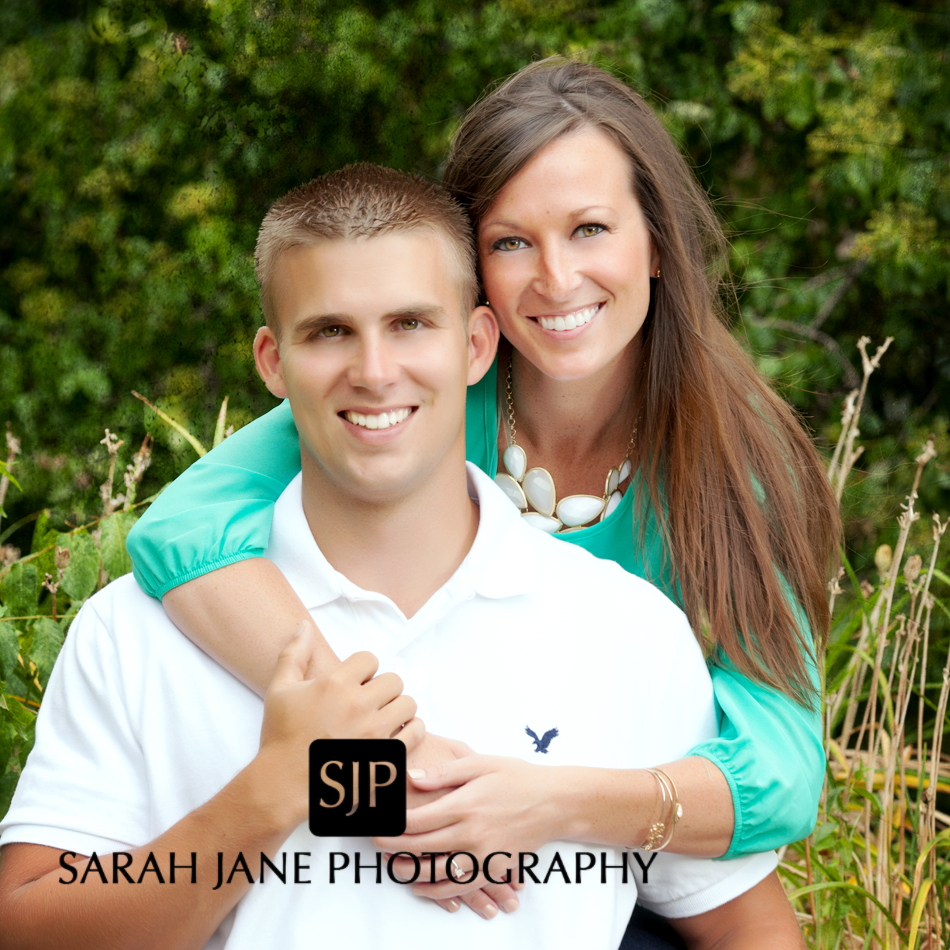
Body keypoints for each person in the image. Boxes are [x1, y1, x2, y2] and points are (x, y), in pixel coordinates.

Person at [0, 165, 803, 950]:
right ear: (273, 362)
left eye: (411, 324)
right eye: (330, 332)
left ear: (478, 344)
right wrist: (278, 788)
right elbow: (28, 923)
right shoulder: (134, 632)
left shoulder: (629, 631)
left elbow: (744, 923)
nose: (375, 372)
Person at [125, 57, 838, 918]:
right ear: (470, 279)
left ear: (657, 243)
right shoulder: (409, 398)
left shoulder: (733, 461)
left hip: (626, 883)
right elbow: (183, 530)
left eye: (589, 230)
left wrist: (547, 803)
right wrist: (395, 776)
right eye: (510, 243)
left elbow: (784, 774)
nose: (557, 278)